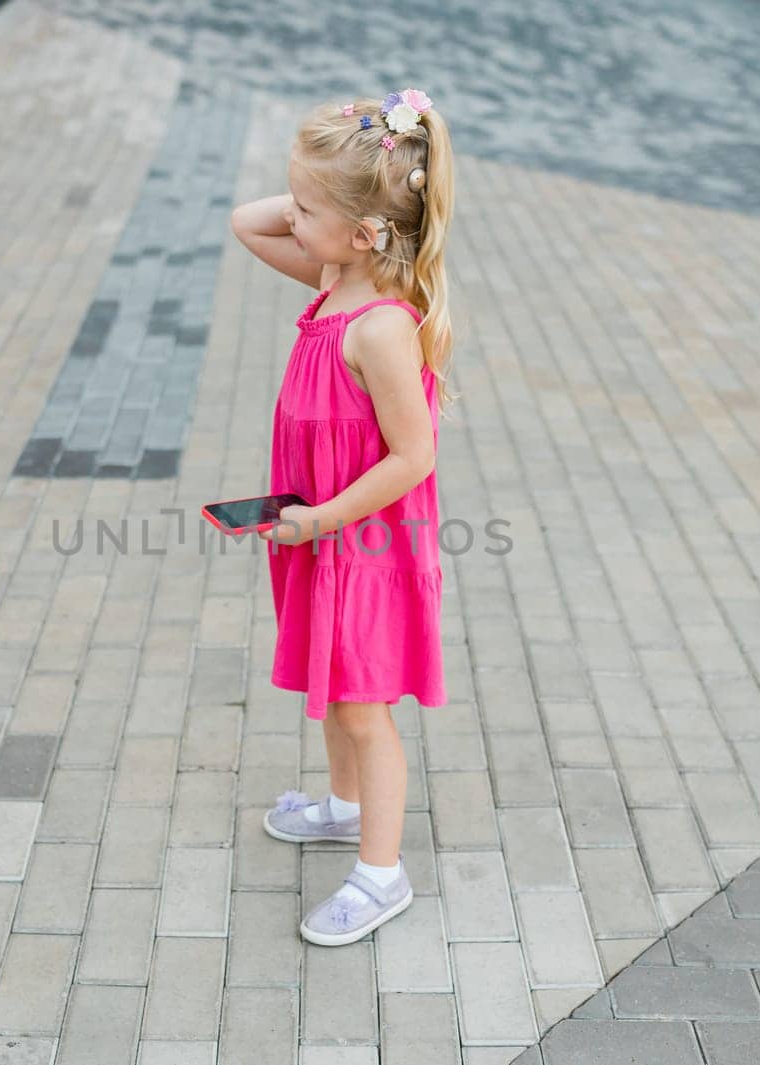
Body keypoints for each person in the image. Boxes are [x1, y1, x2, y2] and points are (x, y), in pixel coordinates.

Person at [228, 88, 458, 947]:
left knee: (365, 705)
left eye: (307, 208)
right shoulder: (331, 279)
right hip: (320, 531)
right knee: (333, 682)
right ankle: (340, 807)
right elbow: (247, 224)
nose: (289, 216)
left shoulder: (380, 327)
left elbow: (413, 456)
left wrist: (322, 519)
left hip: (362, 540)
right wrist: (338, 161)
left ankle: (381, 873)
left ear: (366, 234)